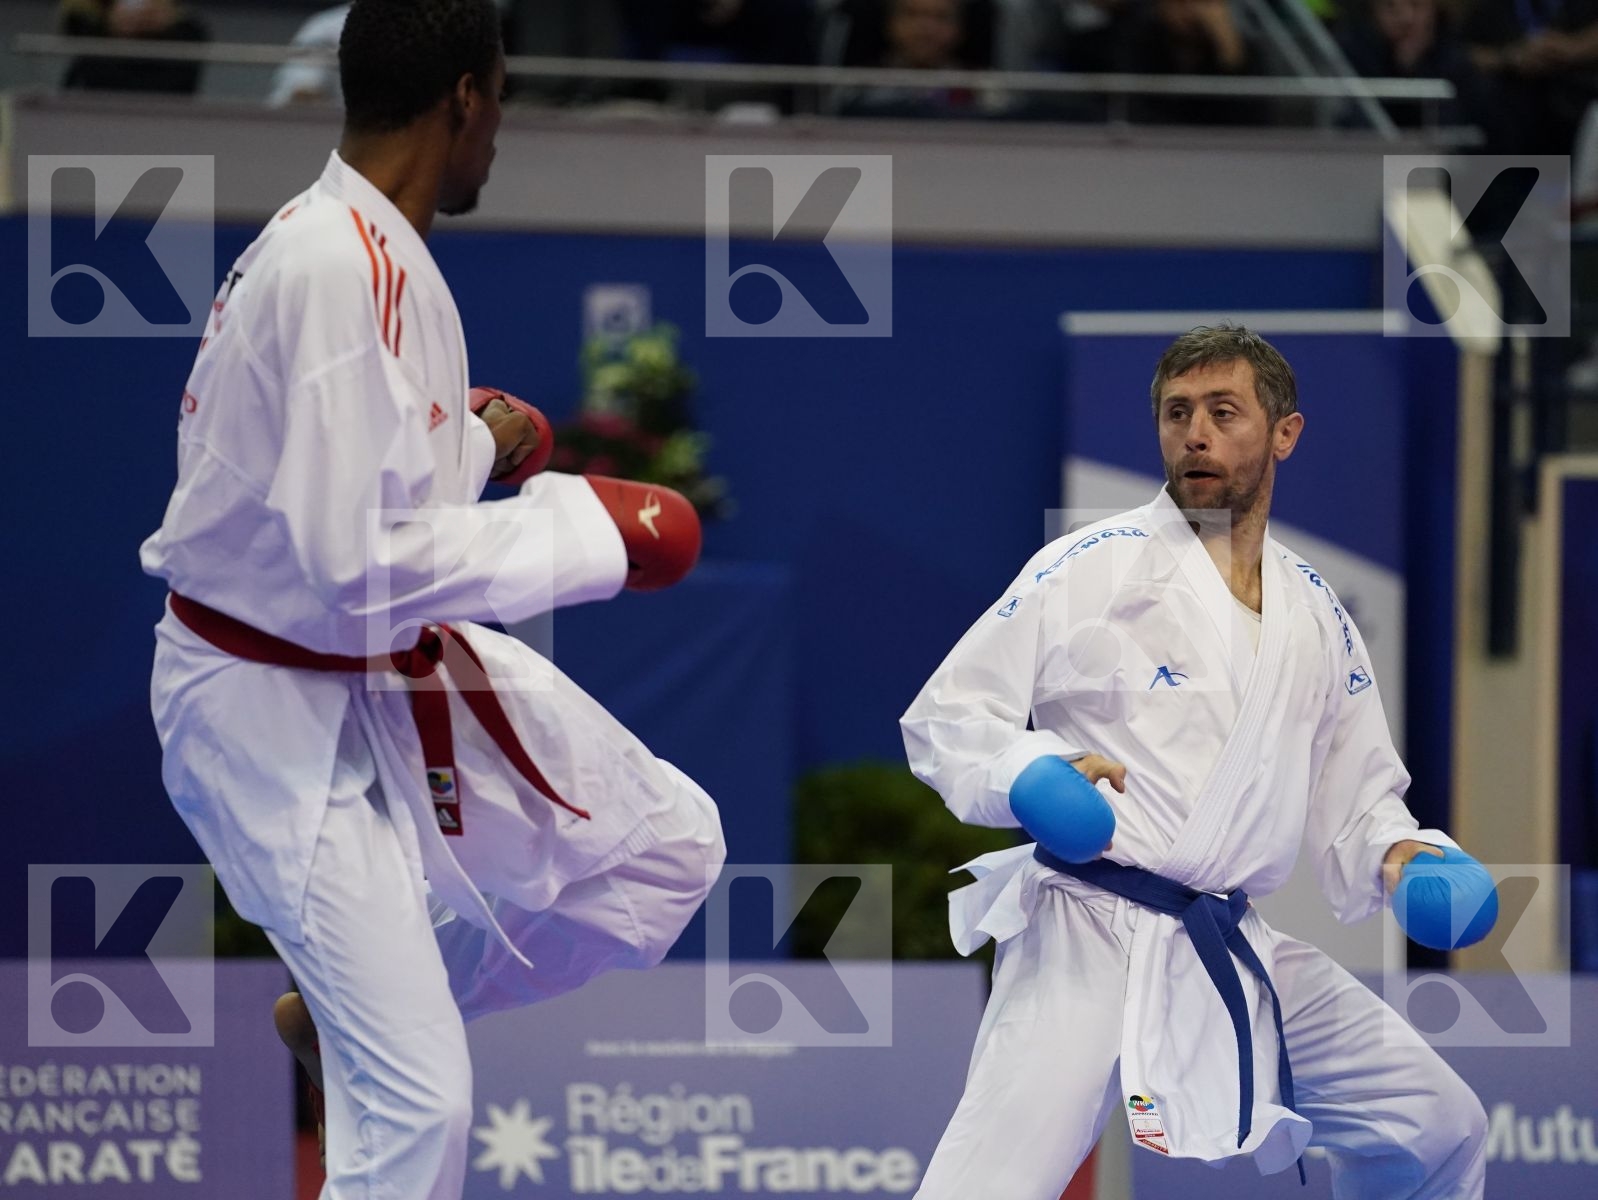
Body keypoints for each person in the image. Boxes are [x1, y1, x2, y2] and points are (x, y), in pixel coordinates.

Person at [141, 1, 724, 1196]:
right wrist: (585, 530)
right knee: (420, 1102)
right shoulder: (330, 266)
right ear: (465, 95)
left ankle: (343, 1016)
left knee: (669, 849)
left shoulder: (376, 256)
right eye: (501, 100)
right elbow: (347, 560)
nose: (500, 133)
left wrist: (473, 438)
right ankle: (373, 1028)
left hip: (374, 662)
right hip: (268, 707)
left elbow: (357, 486)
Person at [900, 323, 1490, 1198]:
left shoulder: (1316, 611)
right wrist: (1031, 772)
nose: (1196, 434)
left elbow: (1356, 793)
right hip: (1086, 929)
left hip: (1223, 934)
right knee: (991, 1184)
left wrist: (1404, 856)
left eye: (1223, 411)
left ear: (1283, 433)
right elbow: (951, 716)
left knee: (1437, 1121)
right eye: (1177, 413)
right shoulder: (1088, 569)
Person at [59, 0, 209, 94]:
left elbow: (178, 84)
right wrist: (110, 29)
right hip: (98, 111)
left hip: (166, 115)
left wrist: (165, 28)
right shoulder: (87, 24)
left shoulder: (188, 30)